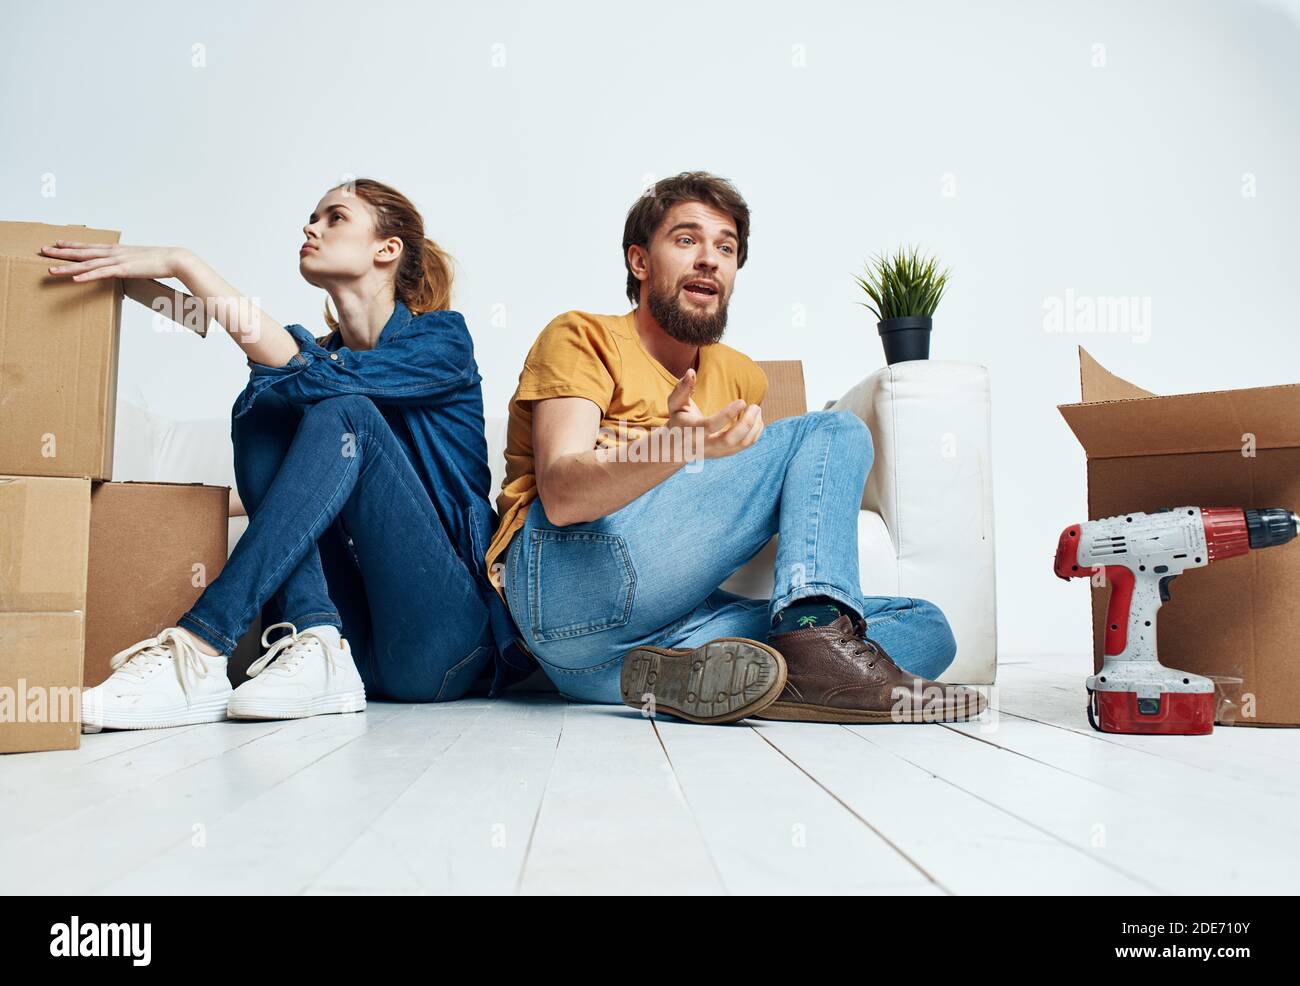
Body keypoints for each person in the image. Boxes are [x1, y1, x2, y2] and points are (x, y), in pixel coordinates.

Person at [484, 171, 985, 725]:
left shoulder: (739, 377)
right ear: (639, 262)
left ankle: (725, 676)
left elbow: (730, 515)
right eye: (686, 239)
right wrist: (678, 443)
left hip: (616, 655)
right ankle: (812, 647)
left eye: (726, 247)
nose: (710, 259)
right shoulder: (582, 335)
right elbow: (562, 496)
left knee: (928, 625)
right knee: (834, 431)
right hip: (564, 588)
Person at [43, 178, 529, 730]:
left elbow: (305, 372)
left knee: (333, 407)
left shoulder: (443, 341)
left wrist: (182, 263)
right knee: (264, 408)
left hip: (440, 641)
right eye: (312, 217)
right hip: (348, 645)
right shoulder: (321, 360)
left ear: (386, 249)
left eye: (334, 217)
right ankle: (316, 639)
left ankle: (200, 648)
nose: (311, 227)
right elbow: (292, 400)